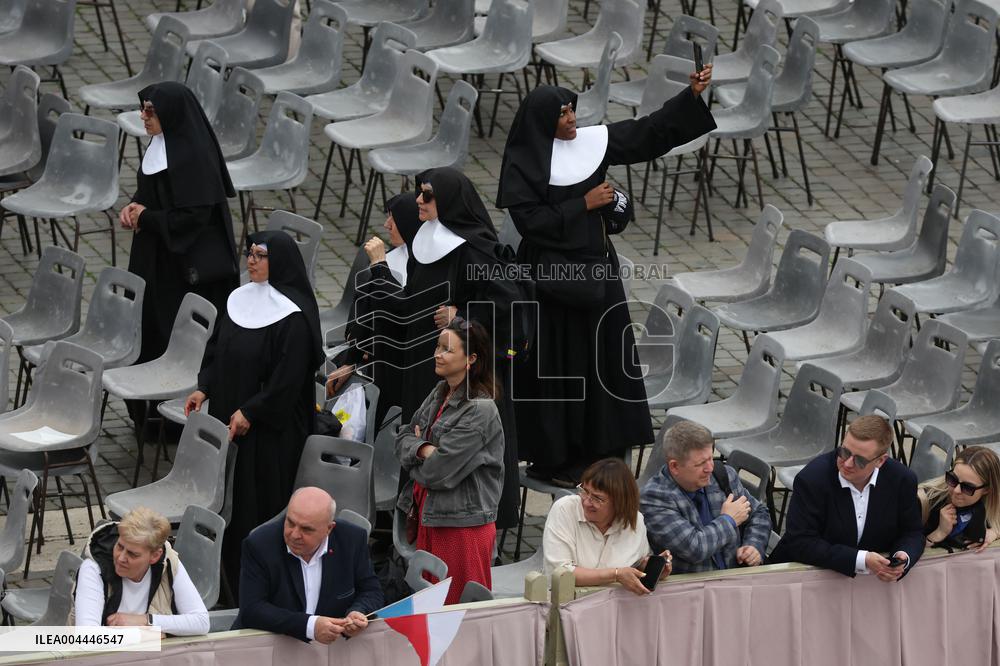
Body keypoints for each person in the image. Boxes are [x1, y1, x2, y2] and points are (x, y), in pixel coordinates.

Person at [496, 62, 717, 487]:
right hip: (550, 282)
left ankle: (601, 454)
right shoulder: (524, 161)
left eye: (572, 110)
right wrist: (583, 204)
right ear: (545, 121)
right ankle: (556, 456)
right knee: (558, 371)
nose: (572, 119)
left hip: (597, 278)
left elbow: (648, 132)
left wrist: (690, 96)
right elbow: (530, 222)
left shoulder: (592, 142)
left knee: (601, 364)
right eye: (562, 115)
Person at [363, 168, 522, 531]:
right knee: (423, 445)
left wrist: (463, 316)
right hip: (426, 368)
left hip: (469, 377)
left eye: (427, 195)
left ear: (447, 201)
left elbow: (511, 310)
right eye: (420, 193)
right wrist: (380, 274)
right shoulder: (426, 241)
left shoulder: (475, 250)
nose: (418, 200)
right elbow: (411, 303)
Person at [185, 230, 324, 600]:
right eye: (249, 253)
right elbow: (217, 352)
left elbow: (287, 381)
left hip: (269, 435)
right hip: (230, 421)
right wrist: (205, 386)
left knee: (257, 507)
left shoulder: (292, 318)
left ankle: (264, 585)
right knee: (228, 502)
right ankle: (227, 580)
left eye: (260, 255)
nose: (251, 260)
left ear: (278, 262)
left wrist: (251, 412)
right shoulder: (237, 299)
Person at [118, 81, 238, 370]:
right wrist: (133, 207)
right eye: (143, 109)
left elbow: (191, 217)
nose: (143, 117)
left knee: (169, 333)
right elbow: (152, 191)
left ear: (170, 115)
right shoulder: (162, 142)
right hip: (156, 255)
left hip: (185, 269)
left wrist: (145, 218)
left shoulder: (194, 158)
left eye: (150, 111)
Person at [395, 318, 505, 605]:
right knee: (431, 608)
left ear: (470, 358)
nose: (437, 354)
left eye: (447, 349)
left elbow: (437, 473)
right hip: (432, 516)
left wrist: (422, 455)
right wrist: (424, 449)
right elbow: (402, 437)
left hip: (462, 528)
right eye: (437, 346)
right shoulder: (442, 390)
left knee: (459, 612)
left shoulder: (480, 410)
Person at [770, 415, 925, 580]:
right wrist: (860, 559)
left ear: (880, 461)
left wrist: (902, 558)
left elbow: (912, 533)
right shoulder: (812, 478)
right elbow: (801, 542)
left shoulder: (902, 479)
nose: (848, 463)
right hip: (805, 578)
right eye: (844, 452)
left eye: (859, 460)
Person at [234, 487, 383, 643]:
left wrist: (358, 612)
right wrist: (310, 626)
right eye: (290, 522)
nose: (294, 534)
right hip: (271, 645)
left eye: (306, 529)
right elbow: (252, 609)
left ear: (329, 529)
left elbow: (371, 590)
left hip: (334, 649)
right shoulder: (259, 544)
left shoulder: (352, 539)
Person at [327, 192, 423, 429]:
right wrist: (351, 360)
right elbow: (362, 314)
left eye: (394, 219)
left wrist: (380, 267)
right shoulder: (389, 257)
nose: (386, 225)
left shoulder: (423, 267)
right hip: (372, 358)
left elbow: (400, 313)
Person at [640, 421, 771, 573]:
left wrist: (753, 546)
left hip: (736, 578)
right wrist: (729, 520)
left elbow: (759, 513)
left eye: (711, 458)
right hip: (692, 589)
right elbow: (695, 548)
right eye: (701, 463)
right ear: (674, 466)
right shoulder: (654, 498)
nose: (710, 468)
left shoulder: (724, 475)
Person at [71, 507, 209, 635]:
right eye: (119, 546)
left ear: (155, 556)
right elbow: (87, 638)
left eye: (132, 554)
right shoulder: (93, 569)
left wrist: (146, 620)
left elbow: (201, 622)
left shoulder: (168, 562)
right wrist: (147, 636)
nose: (121, 558)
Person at [543, 458, 671, 596]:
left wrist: (648, 568)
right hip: (566, 603)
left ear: (619, 503)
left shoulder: (635, 521)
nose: (586, 502)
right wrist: (616, 574)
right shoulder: (565, 509)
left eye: (597, 498)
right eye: (585, 491)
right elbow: (560, 573)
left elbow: (636, 562)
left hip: (614, 608)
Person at [920, 445, 1000, 552]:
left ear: (987, 490)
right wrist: (939, 532)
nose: (956, 490)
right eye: (953, 479)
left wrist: (995, 531)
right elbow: (902, 551)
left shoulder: (994, 502)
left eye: (967, 487)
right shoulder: (924, 501)